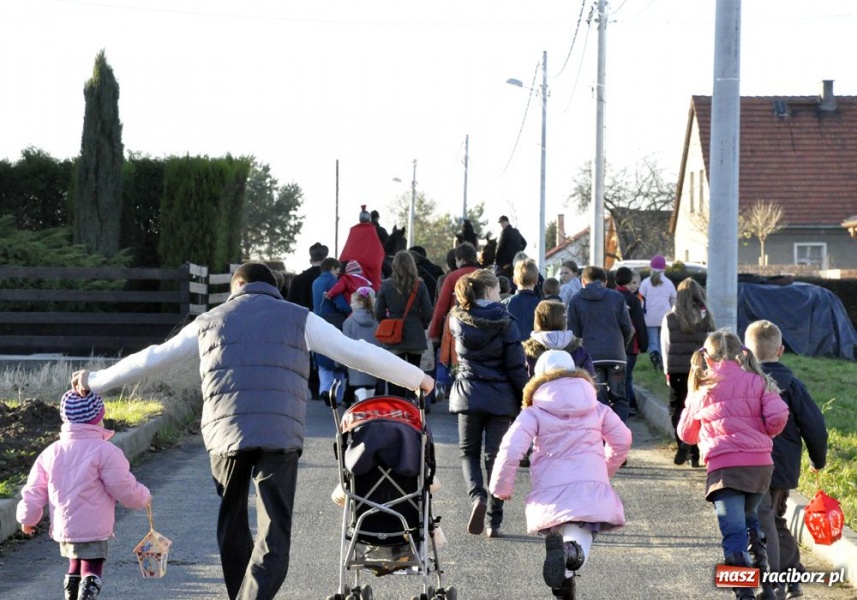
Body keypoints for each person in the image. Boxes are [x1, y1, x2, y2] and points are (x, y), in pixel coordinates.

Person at [70, 262, 433, 600]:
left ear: (237, 286)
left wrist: (96, 381)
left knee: (232, 522)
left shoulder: (210, 321)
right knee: (274, 529)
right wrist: (417, 378)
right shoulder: (299, 318)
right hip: (279, 437)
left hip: (225, 437)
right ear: (273, 287)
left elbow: (154, 357)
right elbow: (357, 352)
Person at [489, 350, 631, 600]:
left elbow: (511, 449)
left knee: (564, 538)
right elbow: (622, 440)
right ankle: (568, 552)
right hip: (588, 488)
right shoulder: (596, 407)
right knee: (579, 539)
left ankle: (564, 578)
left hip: (550, 490)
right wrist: (604, 471)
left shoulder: (534, 411)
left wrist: (502, 487)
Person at [677, 329, 788, 600]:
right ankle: (764, 585)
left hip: (725, 470)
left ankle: (744, 591)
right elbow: (777, 418)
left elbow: (686, 433)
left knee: (734, 532)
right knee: (752, 522)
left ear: (707, 356)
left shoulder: (703, 387)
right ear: (742, 353)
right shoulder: (758, 379)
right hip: (760, 468)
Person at [17, 390, 151, 600]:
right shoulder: (105, 451)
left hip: (65, 525)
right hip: (94, 525)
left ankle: (71, 594)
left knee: (74, 560)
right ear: (98, 418)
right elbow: (123, 486)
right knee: (92, 563)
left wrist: (27, 518)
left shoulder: (51, 452)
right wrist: (143, 497)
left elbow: (35, 489)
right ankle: (85, 596)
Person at [744, 320, 828, 600]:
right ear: (780, 350)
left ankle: (774, 584)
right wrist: (819, 459)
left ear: (746, 352)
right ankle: (792, 577)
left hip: (753, 463)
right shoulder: (794, 385)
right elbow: (814, 425)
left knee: (763, 520)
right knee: (775, 518)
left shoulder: (745, 383)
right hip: (784, 464)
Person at [447, 268, 528, 539]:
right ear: (490, 291)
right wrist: (525, 396)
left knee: (468, 452)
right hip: (500, 397)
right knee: (495, 457)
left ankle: (476, 497)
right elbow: (516, 366)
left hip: (468, 394)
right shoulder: (506, 321)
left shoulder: (457, 319)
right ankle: (494, 520)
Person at [566, 266, 634, 423]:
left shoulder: (576, 300)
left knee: (598, 398)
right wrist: (621, 345)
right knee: (620, 398)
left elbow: (573, 334)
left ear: (583, 281)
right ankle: (618, 434)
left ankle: (601, 437)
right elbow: (627, 328)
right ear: (605, 282)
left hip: (591, 357)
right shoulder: (616, 297)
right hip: (616, 355)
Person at [660, 277, 716, 467]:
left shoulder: (669, 318)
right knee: (699, 409)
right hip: (699, 370)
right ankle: (695, 453)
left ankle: (683, 441)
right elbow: (711, 346)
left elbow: (665, 347)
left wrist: (667, 370)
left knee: (677, 408)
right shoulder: (706, 317)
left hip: (677, 370)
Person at [374, 250, 434, 399]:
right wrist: (422, 325)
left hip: (394, 334)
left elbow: (378, 311)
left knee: (394, 373)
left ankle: (397, 403)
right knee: (415, 372)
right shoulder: (420, 285)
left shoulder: (386, 285)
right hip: (415, 333)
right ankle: (413, 403)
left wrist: (386, 322)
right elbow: (428, 311)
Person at [313, 257, 351, 405]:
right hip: (334, 321)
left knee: (322, 360)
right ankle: (337, 395)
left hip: (318, 320)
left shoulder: (316, 282)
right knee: (338, 360)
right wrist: (349, 311)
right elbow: (339, 302)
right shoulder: (333, 282)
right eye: (338, 270)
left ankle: (324, 389)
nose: (338, 273)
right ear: (333, 268)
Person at [524, 300, 595, 378]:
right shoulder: (579, 351)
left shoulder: (528, 352)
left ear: (538, 321)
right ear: (563, 321)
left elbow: (523, 380)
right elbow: (589, 380)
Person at [427, 242, 481, 344]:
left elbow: (441, 306)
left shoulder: (452, 277)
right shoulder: (485, 275)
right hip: (483, 327)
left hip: (457, 328)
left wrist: (434, 332)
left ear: (461, 259)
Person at [613, 267, 649, 418]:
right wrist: (644, 344)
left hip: (612, 345)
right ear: (629, 281)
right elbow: (639, 324)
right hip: (630, 347)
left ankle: (613, 407)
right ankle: (626, 408)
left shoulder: (610, 296)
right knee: (627, 378)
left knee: (614, 378)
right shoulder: (634, 300)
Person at [342, 286, 381, 404]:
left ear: (359, 303)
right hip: (373, 358)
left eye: (352, 301)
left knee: (359, 385)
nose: (350, 304)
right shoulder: (377, 320)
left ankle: (362, 402)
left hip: (355, 358)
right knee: (370, 386)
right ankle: (367, 404)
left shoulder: (349, 322)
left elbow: (344, 343)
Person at [638, 255, 676, 371]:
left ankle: (655, 358)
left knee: (653, 341)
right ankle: (663, 362)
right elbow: (674, 300)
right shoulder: (669, 283)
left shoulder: (645, 283)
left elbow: (640, 299)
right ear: (664, 268)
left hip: (649, 317)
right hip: (665, 316)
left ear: (651, 267)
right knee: (662, 340)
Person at [340, 205, 385, 291]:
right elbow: (378, 250)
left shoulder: (353, 229)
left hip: (351, 264)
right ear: (369, 220)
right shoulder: (372, 229)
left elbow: (348, 248)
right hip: (368, 263)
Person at [503, 257, 541, 341]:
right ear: (536, 280)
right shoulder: (543, 306)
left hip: (512, 351)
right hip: (536, 351)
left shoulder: (504, 305)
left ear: (514, 280)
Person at [494, 215, 527, 280]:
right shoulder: (516, 231)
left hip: (505, 264)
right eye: (501, 223)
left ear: (507, 222)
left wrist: (496, 260)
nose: (501, 225)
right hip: (516, 262)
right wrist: (519, 252)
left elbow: (499, 247)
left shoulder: (504, 232)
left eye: (502, 223)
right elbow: (525, 243)